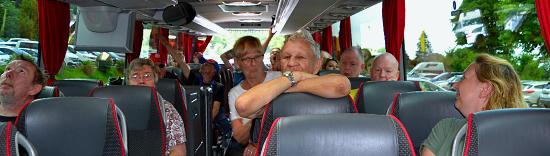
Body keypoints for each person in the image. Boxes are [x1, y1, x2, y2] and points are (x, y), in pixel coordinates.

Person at [421, 54, 527, 156]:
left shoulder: (519, 137)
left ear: (485, 89)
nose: (454, 85)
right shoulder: (445, 129)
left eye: (463, 78)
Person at [235, 29, 350, 122]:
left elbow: (342, 85)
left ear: (317, 65)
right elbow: (243, 106)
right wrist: (295, 77)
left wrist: (291, 84)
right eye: (286, 57)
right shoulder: (271, 90)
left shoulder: (328, 85)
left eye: (300, 57)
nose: (291, 63)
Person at [226, 36, 281, 156]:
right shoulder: (234, 94)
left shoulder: (279, 78)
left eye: (257, 57)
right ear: (237, 62)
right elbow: (240, 138)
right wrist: (256, 113)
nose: (253, 63)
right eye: (246, 59)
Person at [126, 58, 187, 156]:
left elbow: (178, 152)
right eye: (135, 76)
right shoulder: (116, 109)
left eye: (147, 76)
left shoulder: (167, 110)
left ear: (155, 81)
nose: (141, 81)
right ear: (128, 82)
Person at [0, 55, 44, 123]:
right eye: (8, 69)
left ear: (34, 89)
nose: (8, 73)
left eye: (21, 71)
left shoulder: (40, 125)